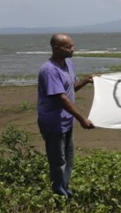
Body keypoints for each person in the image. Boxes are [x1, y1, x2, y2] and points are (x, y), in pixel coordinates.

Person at [37, 33, 96, 198]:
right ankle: (59, 195)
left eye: (72, 46)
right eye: (68, 47)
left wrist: (85, 80)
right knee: (58, 161)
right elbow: (61, 98)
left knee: (68, 160)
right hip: (53, 123)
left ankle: (65, 190)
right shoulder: (49, 70)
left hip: (66, 121)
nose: (73, 49)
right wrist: (82, 119)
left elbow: (70, 88)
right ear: (56, 48)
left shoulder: (68, 64)